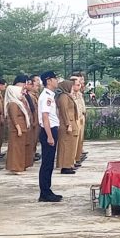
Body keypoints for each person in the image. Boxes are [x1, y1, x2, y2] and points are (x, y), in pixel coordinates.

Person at [37, 71, 62, 202]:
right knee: (46, 163)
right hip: (48, 130)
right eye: (55, 79)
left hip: (51, 129)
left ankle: (47, 189)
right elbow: (45, 117)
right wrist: (49, 136)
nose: (56, 81)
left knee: (49, 163)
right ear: (48, 80)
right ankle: (44, 193)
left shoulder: (50, 95)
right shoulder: (45, 96)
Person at [5, 85, 30, 173]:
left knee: (20, 148)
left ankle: (20, 166)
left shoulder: (19, 102)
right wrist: (18, 128)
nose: (21, 93)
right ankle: (15, 167)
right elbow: (14, 117)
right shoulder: (13, 103)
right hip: (17, 129)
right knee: (16, 149)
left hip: (22, 127)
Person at [56, 80, 79, 175]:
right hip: (67, 124)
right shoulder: (63, 97)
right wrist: (68, 124)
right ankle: (64, 166)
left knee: (71, 146)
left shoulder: (67, 96)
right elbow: (64, 111)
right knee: (66, 146)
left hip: (72, 122)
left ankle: (69, 164)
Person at [72, 73, 87, 167]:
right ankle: (72, 160)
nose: (81, 85)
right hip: (75, 118)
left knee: (80, 139)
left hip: (81, 116)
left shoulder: (79, 94)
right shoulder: (70, 95)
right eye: (78, 84)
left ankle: (77, 157)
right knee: (74, 141)